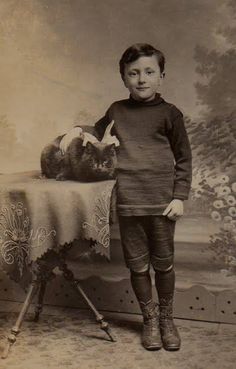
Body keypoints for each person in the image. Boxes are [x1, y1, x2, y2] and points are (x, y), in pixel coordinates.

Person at [94, 43, 192, 351]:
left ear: (161, 76)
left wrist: (180, 196)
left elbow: (184, 159)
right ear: (123, 78)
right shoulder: (116, 111)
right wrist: (99, 142)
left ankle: (166, 319)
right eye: (133, 73)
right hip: (128, 202)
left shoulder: (170, 114)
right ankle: (148, 320)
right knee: (137, 267)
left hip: (163, 204)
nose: (141, 79)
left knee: (163, 265)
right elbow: (95, 139)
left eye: (149, 72)